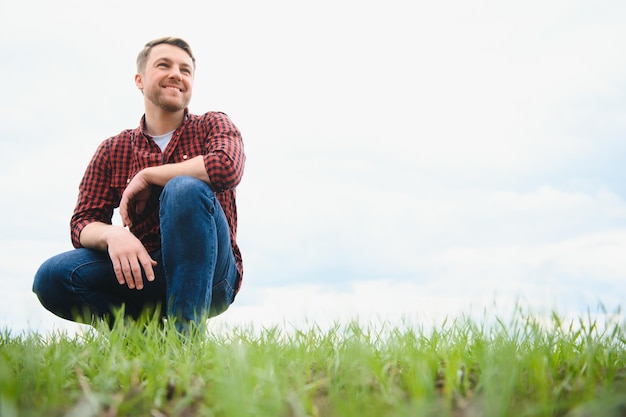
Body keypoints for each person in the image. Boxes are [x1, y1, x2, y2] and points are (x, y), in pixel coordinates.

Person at [32, 37, 245, 332]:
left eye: (185, 70)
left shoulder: (213, 125)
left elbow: (225, 166)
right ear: (139, 80)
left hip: (212, 273)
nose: (176, 74)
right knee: (53, 277)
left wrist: (147, 175)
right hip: (145, 270)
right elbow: (82, 222)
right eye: (164, 65)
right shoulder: (113, 149)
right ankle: (143, 336)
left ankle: (186, 340)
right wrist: (112, 236)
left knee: (184, 188)